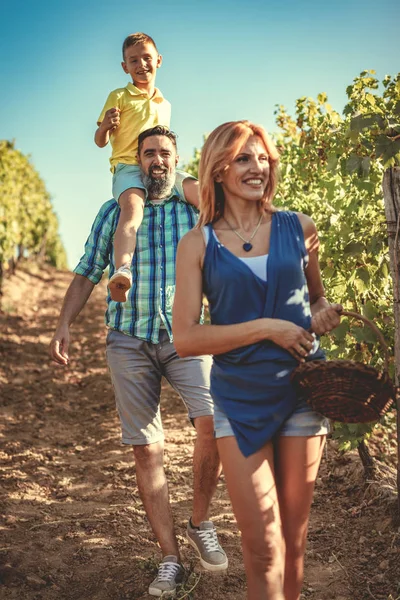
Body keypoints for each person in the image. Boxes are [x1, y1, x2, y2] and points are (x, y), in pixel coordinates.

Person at [50, 125, 228, 598]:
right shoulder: (115, 212)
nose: (157, 161)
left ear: (176, 159)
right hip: (128, 341)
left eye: (164, 153)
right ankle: (169, 558)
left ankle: (200, 520)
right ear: (138, 160)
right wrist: (63, 322)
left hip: (186, 335)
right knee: (147, 448)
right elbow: (88, 270)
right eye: (148, 153)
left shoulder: (196, 210)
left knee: (214, 422)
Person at [172, 120, 342, 600]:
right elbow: (185, 338)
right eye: (245, 158)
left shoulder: (298, 227)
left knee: (292, 538)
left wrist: (322, 316)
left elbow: (316, 302)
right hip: (238, 399)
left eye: (263, 158)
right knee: (262, 545)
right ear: (219, 169)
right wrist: (267, 328)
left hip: (303, 392)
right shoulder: (197, 244)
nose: (258, 167)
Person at [95, 32, 192, 303]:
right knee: (133, 211)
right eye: (133, 60)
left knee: (197, 189)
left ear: (158, 60)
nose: (141, 64)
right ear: (125, 66)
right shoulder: (119, 96)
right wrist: (105, 127)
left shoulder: (165, 103)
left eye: (147, 58)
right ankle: (123, 269)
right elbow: (100, 141)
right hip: (128, 167)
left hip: (158, 167)